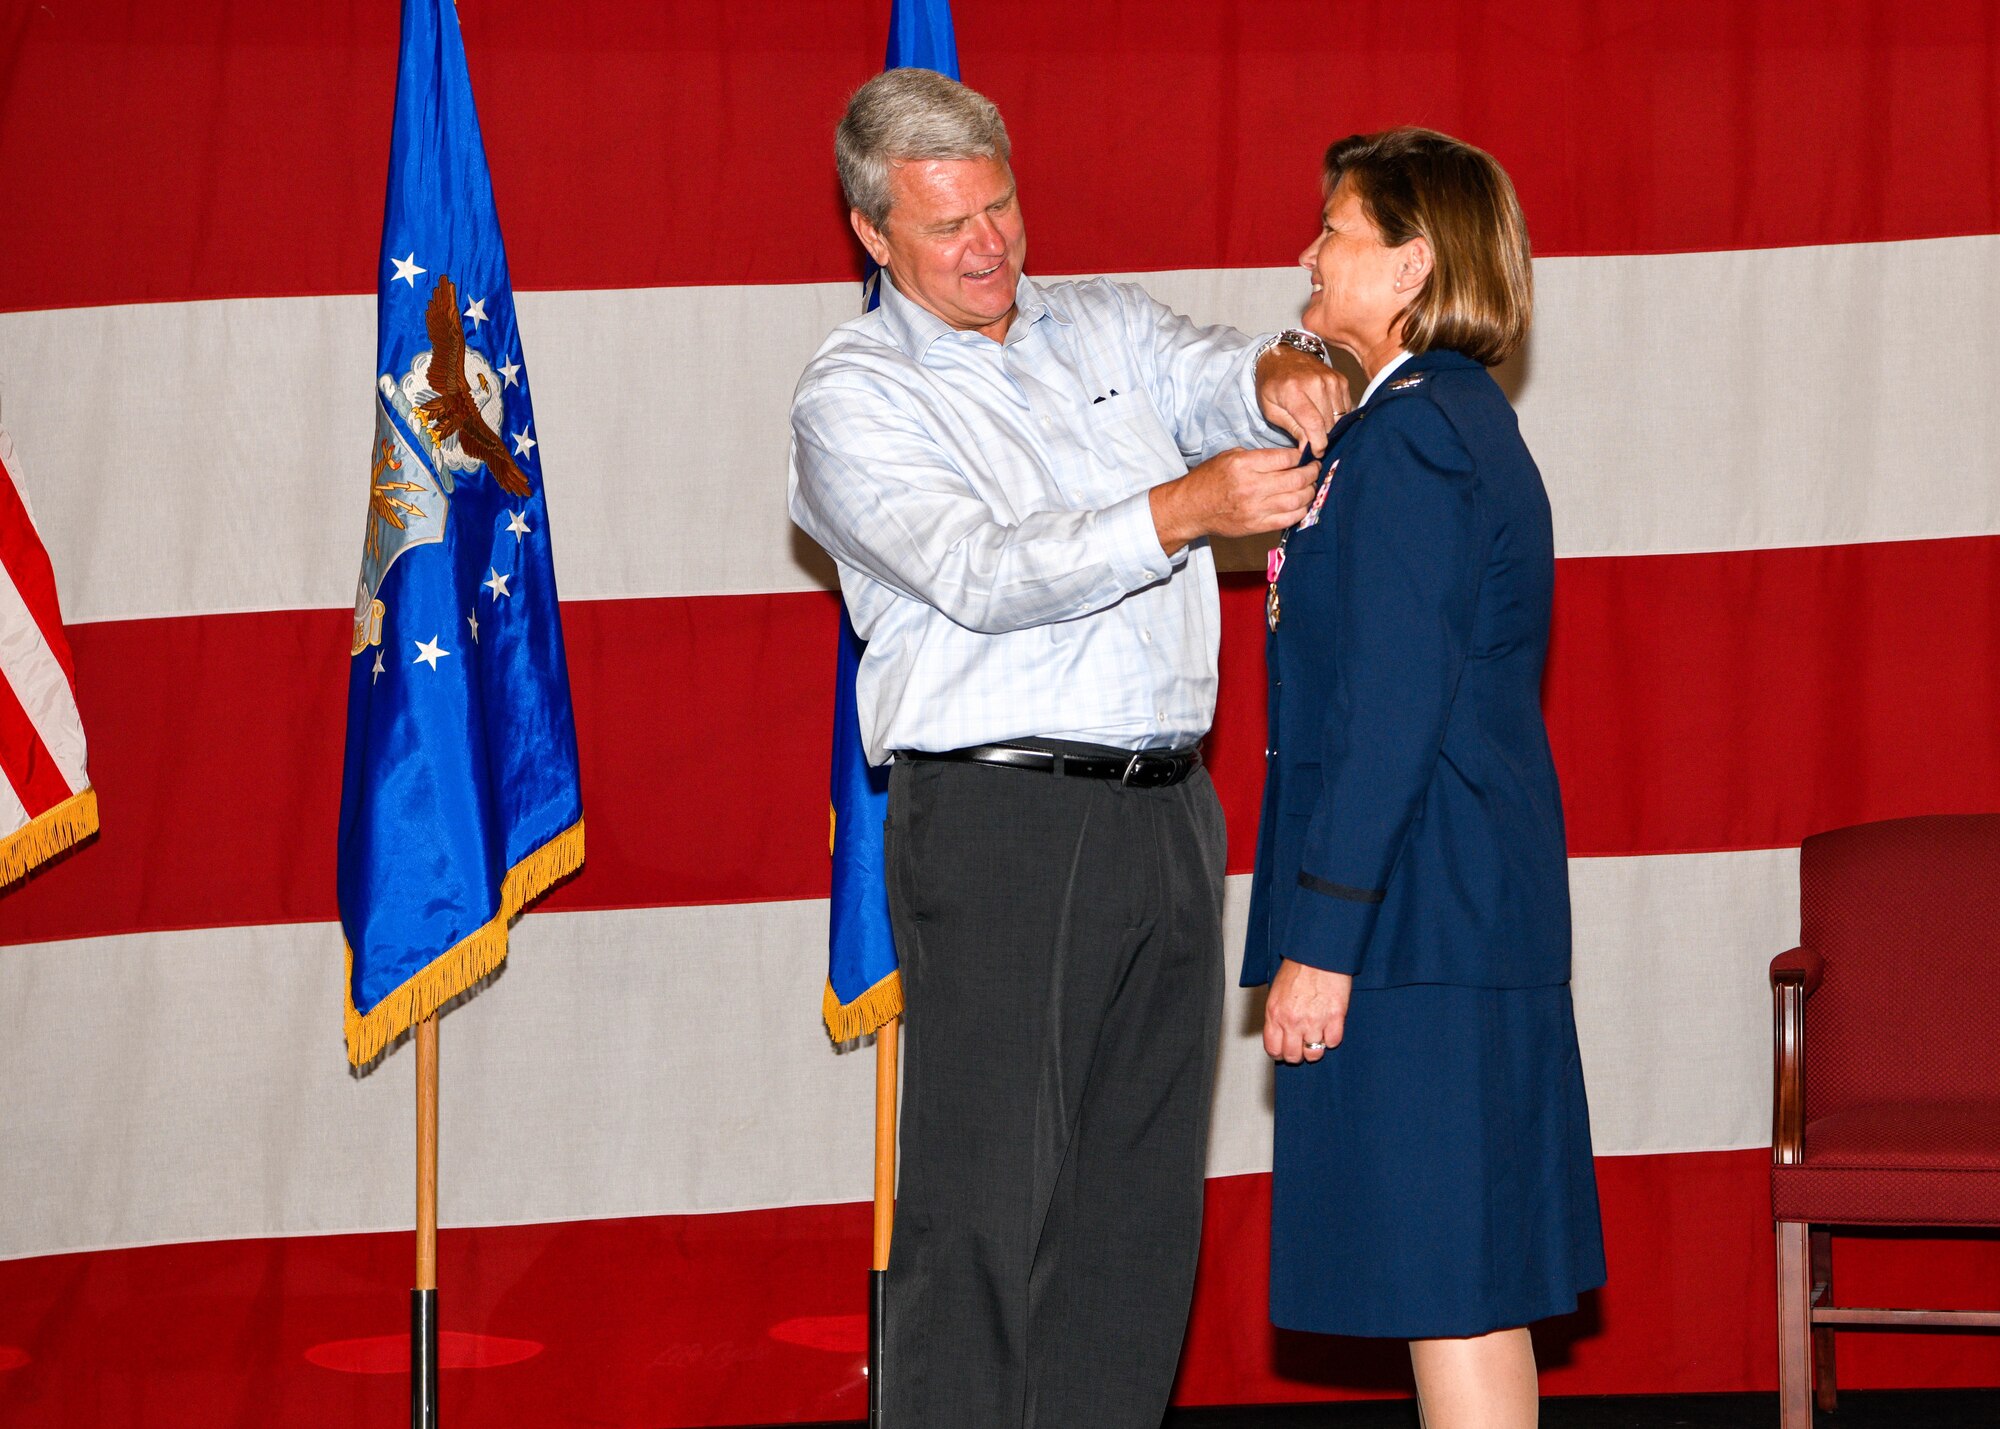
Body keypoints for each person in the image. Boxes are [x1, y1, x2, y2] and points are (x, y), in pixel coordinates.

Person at [789, 67, 1349, 1429]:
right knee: (985, 1209)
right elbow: (980, 571)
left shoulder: (1100, 322)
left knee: (1137, 1212)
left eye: (1000, 205)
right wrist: (1183, 507)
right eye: (946, 225)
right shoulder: (851, 396)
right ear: (873, 234)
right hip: (999, 823)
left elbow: (1213, 369)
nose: (988, 246)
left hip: (1168, 805)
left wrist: (1277, 372)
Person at [1243, 127, 1607, 1429]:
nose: (1309, 252)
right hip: (1443, 911)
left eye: (1335, 230)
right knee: (1460, 1282)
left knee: (1451, 1283)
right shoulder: (1429, 421)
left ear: (1409, 263)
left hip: (1419, 921)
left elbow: (1391, 709)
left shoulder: (1414, 441)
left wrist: (1321, 935)